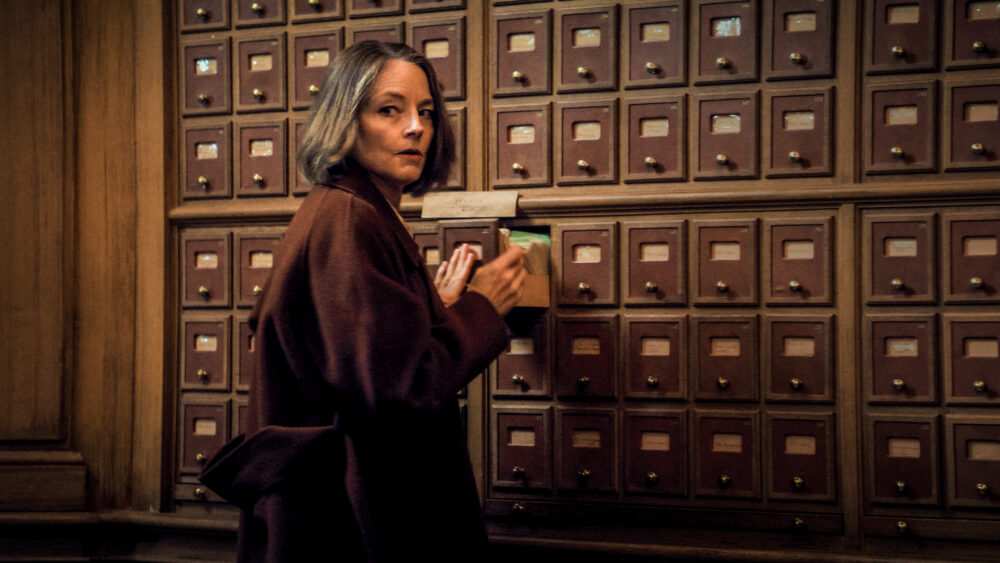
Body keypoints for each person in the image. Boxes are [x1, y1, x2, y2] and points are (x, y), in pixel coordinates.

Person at [199, 40, 526, 562]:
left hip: (344, 506)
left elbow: (356, 352)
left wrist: (429, 308)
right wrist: (481, 306)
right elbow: (398, 388)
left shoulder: (353, 208)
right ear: (346, 121)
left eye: (425, 112)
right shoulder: (351, 218)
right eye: (389, 110)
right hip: (350, 520)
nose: (415, 127)